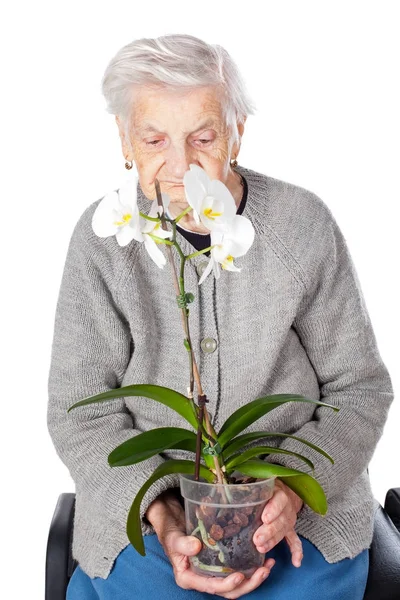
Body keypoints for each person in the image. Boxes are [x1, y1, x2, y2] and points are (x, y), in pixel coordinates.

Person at [47, 34, 394, 599]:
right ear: (124, 141)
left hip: (292, 518)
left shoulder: (301, 225)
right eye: (154, 138)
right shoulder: (104, 240)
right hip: (153, 520)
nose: (182, 165)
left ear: (237, 133)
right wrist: (160, 513)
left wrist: (293, 490)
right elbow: (79, 413)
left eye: (203, 137)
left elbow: (359, 389)